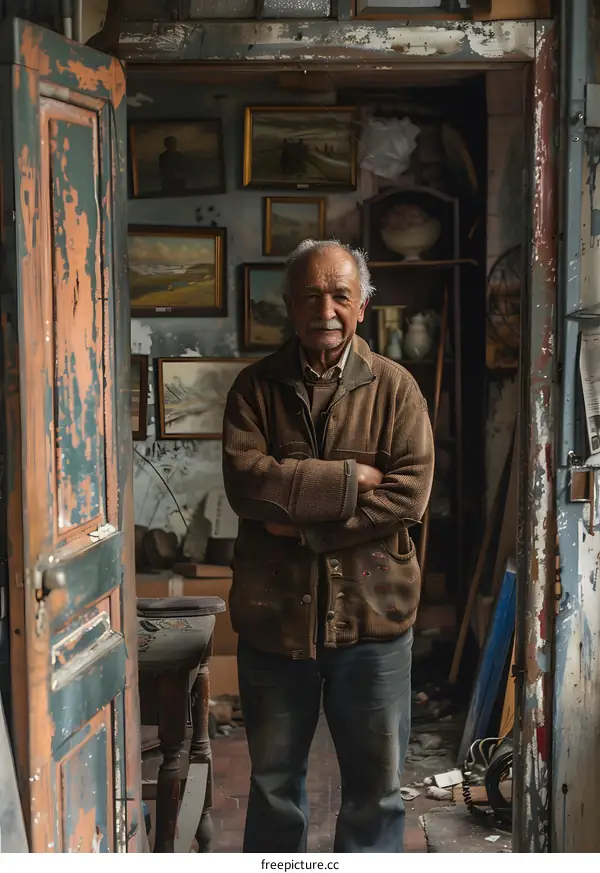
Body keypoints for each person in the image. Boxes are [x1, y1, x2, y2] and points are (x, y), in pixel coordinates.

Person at [222, 239, 434, 853]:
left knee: (377, 790)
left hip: (374, 620)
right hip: (273, 620)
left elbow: (408, 496)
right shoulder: (254, 388)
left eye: (341, 295)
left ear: (362, 305)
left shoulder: (396, 388)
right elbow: (248, 485)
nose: (326, 309)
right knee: (273, 786)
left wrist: (309, 528)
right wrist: (351, 478)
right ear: (290, 304)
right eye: (311, 295)